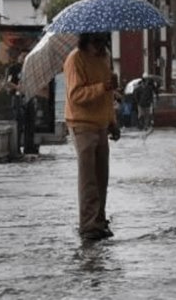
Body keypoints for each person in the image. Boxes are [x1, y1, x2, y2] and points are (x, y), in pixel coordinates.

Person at [64, 32, 120, 241]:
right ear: (86, 41)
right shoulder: (75, 60)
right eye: (96, 44)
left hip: (101, 124)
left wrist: (112, 122)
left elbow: (107, 97)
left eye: (103, 43)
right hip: (82, 124)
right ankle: (88, 225)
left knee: (101, 178)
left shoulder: (104, 58)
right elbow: (76, 95)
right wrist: (103, 86)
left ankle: (99, 219)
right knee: (88, 179)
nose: (100, 48)